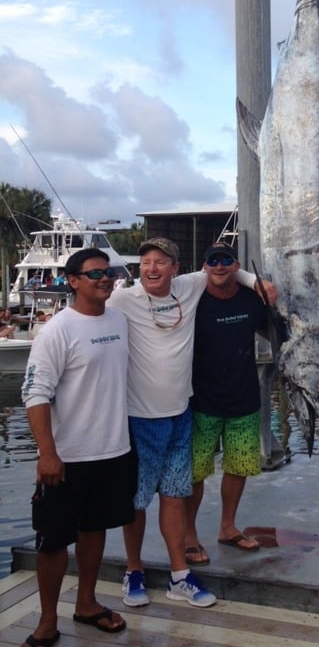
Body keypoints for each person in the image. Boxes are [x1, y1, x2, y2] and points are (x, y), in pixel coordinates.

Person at [108, 237, 276, 609]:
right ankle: (133, 570)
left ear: (176, 269)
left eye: (161, 262)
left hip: (182, 415)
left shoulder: (190, 287)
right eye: (146, 261)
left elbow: (233, 274)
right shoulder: (123, 299)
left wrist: (256, 283)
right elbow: (91, 316)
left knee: (174, 494)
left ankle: (179, 575)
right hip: (142, 418)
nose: (152, 268)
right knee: (134, 502)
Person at [14, 248, 135, 647]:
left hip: (114, 450)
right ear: (73, 281)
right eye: (95, 273)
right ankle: (47, 622)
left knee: (95, 529)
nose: (105, 278)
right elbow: (34, 394)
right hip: (66, 458)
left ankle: (86, 603)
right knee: (51, 543)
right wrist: (47, 454)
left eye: (109, 272)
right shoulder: (57, 330)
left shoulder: (119, 320)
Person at [184, 243, 268, 561]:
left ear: (236, 266)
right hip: (201, 401)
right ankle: (189, 536)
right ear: (204, 267)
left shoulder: (251, 299)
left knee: (239, 467)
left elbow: (270, 327)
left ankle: (228, 527)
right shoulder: (194, 299)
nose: (219, 266)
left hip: (244, 399)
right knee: (195, 473)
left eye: (226, 261)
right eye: (212, 261)